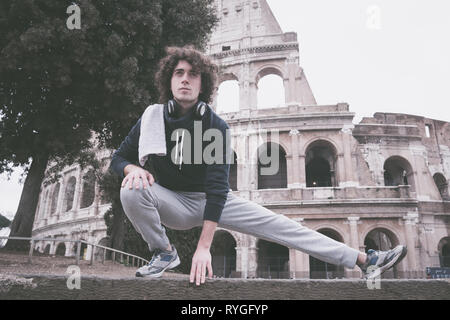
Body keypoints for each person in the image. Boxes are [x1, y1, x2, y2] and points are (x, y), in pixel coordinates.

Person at [110, 46, 407, 286]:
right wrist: (131, 169)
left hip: (215, 201)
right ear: (169, 81)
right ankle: (163, 252)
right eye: (179, 73)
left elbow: (216, 191)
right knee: (131, 190)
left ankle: (366, 260)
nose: (185, 79)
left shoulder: (215, 126)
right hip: (171, 200)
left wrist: (203, 247)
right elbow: (118, 159)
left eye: (193, 74)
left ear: (204, 84)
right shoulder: (152, 117)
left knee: (285, 227)